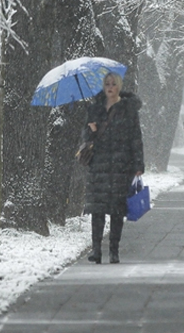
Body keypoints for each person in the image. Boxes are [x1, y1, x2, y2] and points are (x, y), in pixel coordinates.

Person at [79, 72, 144, 264]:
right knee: (97, 210)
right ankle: (96, 249)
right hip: (99, 164)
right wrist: (90, 130)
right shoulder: (95, 109)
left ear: (119, 87)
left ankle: (114, 250)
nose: (110, 87)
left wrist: (138, 164)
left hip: (120, 165)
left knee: (117, 210)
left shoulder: (128, 110)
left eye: (113, 84)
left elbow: (136, 138)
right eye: (107, 84)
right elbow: (86, 139)